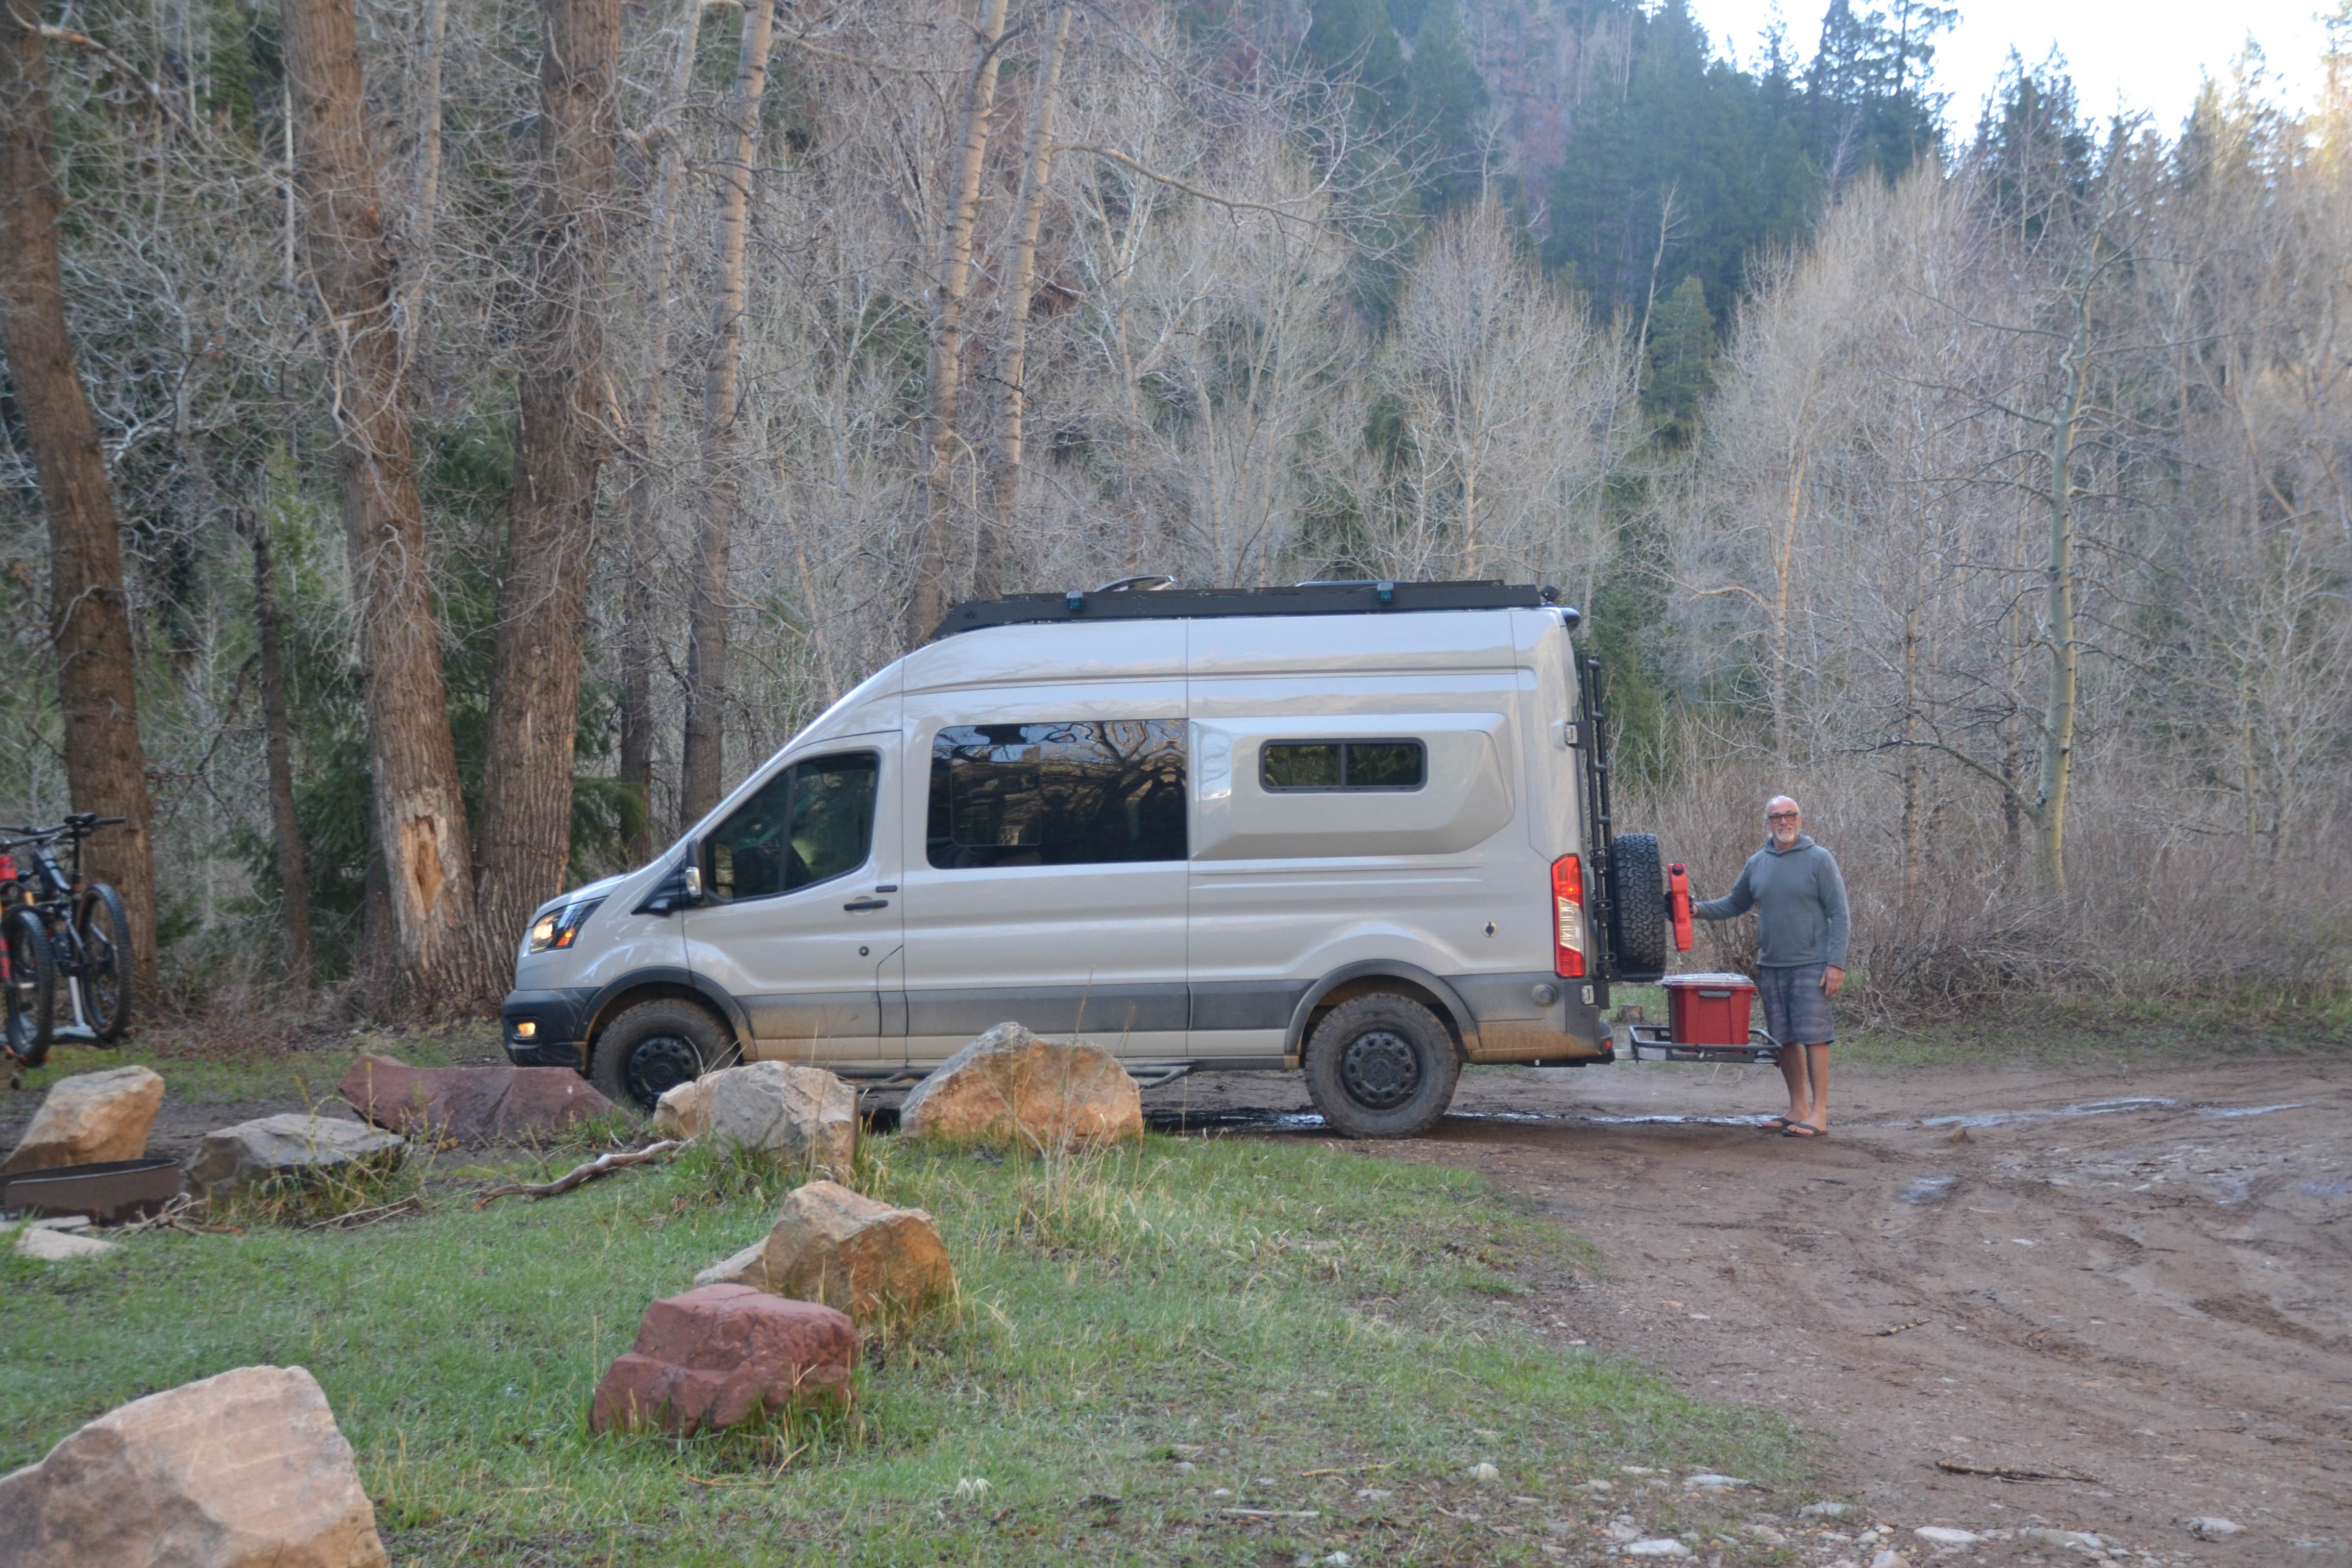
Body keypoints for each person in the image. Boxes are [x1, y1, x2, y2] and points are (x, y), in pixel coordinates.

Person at [1691, 795, 1849, 1139]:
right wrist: (1696, 910)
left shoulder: (1819, 859)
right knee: (1784, 1040)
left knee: (1815, 1038)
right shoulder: (1758, 863)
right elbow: (1735, 903)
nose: (1784, 822)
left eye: (1790, 815)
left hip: (1812, 964)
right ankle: (1798, 1109)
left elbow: (1840, 914)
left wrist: (1836, 964)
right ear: (1768, 822)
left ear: (1800, 819)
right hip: (1772, 966)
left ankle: (1820, 1113)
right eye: (1776, 817)